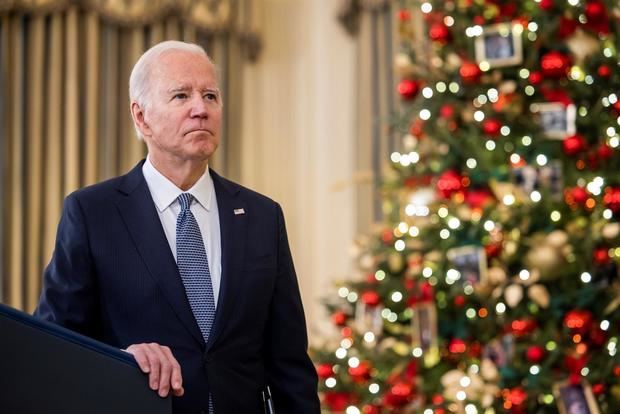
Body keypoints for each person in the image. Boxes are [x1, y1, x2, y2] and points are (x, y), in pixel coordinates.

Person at [35, 40, 320, 414]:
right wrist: (122, 360)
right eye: (181, 95)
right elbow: (53, 349)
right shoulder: (92, 213)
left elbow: (290, 367)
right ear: (142, 117)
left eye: (211, 96)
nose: (200, 109)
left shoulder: (262, 216)